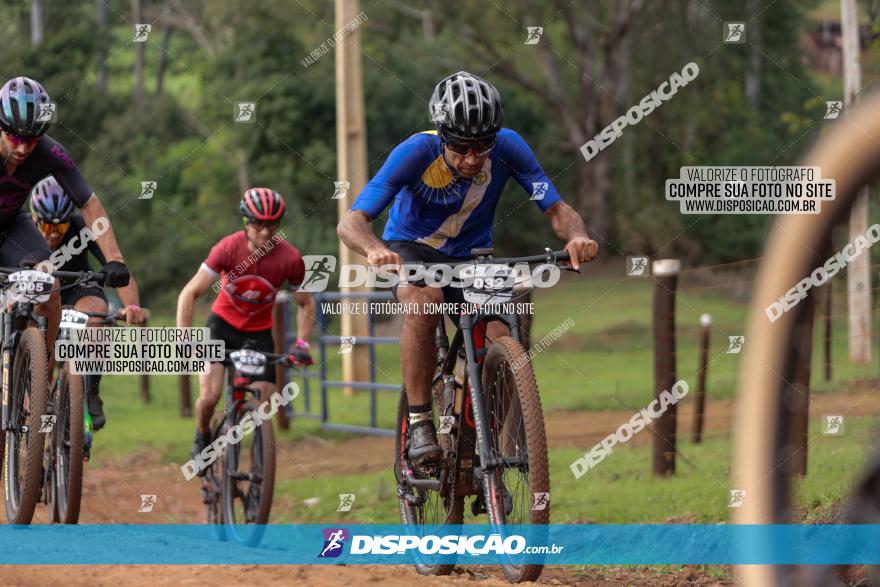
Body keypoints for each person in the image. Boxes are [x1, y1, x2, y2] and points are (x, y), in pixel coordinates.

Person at [337, 71, 599, 465]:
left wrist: (577, 236)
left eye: (482, 146)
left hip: (472, 255)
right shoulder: (414, 153)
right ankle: (421, 419)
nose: (473, 158)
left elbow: (557, 209)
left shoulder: (510, 147)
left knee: (502, 330)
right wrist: (374, 249)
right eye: (461, 147)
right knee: (425, 301)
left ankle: (485, 437)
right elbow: (351, 221)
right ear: (443, 136)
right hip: (413, 248)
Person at [177, 188, 316, 469]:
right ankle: (202, 433)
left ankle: (258, 470)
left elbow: (307, 303)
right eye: (257, 223)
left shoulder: (290, 258)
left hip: (258, 333)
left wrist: (301, 344)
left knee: (263, 410)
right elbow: (189, 293)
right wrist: (184, 337)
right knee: (209, 396)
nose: (264, 231)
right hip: (222, 326)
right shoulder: (228, 248)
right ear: (245, 221)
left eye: (272, 224)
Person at [0, 76, 132, 370]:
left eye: (31, 140)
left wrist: (114, 258)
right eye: (15, 138)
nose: (22, 149)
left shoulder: (51, 153)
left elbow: (88, 203)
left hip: (11, 228)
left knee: (49, 282)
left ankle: (40, 385)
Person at [29, 176, 147, 430]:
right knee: (41, 353)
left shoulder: (83, 228)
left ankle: (91, 390)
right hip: (39, 294)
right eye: (46, 227)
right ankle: (40, 409)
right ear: (34, 219)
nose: (52, 234)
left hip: (77, 288)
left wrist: (132, 308)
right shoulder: (23, 231)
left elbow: (120, 272)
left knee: (96, 316)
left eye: (59, 228)